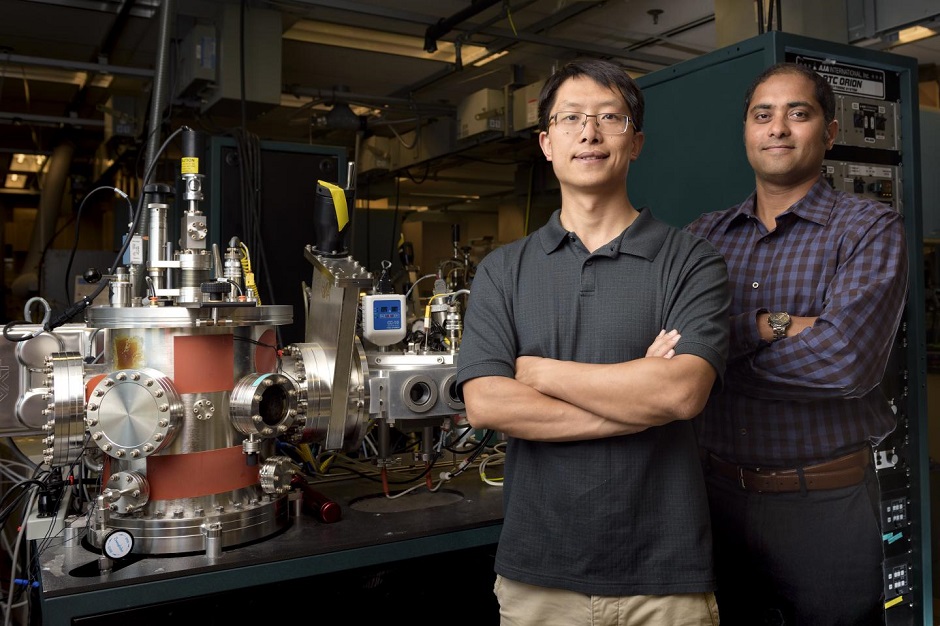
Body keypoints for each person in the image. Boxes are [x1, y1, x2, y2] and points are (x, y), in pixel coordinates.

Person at [455, 57, 730, 626]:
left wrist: (539, 373)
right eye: (571, 118)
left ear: (637, 144)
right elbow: (486, 404)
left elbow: (680, 395)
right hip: (539, 579)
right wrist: (638, 400)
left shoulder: (691, 262)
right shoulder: (503, 271)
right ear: (546, 142)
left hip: (666, 578)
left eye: (611, 118)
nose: (590, 132)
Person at [686, 62, 909, 626]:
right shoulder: (702, 237)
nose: (778, 128)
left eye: (798, 113)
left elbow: (846, 362)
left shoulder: (867, 228)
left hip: (825, 511)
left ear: (829, 132)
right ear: (746, 130)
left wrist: (710, 359)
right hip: (714, 503)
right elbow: (669, 346)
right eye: (763, 115)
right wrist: (776, 324)